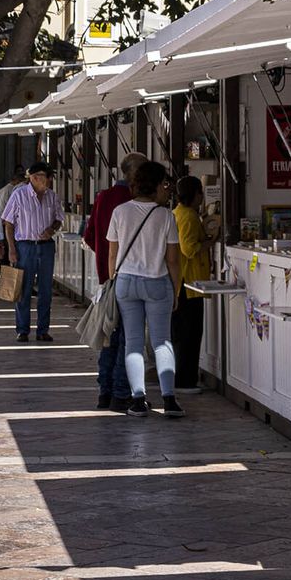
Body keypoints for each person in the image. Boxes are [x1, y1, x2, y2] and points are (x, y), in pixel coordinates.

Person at [106, 160, 184, 417]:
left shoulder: (120, 212)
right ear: (157, 185)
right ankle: (169, 399)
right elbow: (173, 260)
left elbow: (112, 254)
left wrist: (114, 281)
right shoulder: (166, 216)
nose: (167, 189)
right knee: (162, 342)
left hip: (126, 283)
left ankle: (138, 399)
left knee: (133, 342)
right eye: (165, 184)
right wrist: (176, 289)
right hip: (157, 282)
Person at [84, 152, 145, 410]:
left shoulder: (103, 197)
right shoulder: (135, 201)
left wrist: (105, 262)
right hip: (131, 276)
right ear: (134, 174)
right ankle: (121, 392)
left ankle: (104, 391)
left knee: (109, 334)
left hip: (107, 278)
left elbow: (89, 236)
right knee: (128, 338)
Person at [1, 160, 64, 342]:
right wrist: (11, 249)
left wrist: (52, 229)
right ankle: (22, 330)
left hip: (46, 246)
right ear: (35, 178)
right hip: (25, 246)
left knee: (46, 290)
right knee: (24, 288)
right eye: (46, 177)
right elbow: (8, 223)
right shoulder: (19, 195)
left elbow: (59, 218)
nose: (49, 180)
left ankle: (43, 330)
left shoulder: (52, 196)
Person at [172, 175, 211, 394]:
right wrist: (209, 242)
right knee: (190, 335)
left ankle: (181, 378)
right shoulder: (188, 216)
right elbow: (189, 249)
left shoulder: (178, 212)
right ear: (195, 194)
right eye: (200, 193)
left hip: (181, 283)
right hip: (190, 283)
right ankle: (185, 381)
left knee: (181, 335)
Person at [0, 166, 26, 264]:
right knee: (7, 255)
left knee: (5, 256)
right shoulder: (13, 191)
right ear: (18, 181)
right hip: (5, 225)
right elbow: (8, 214)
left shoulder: (2, 190)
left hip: (1, 225)